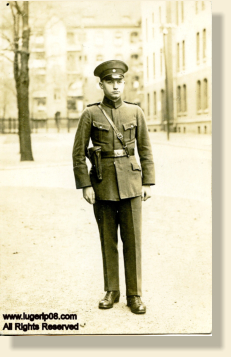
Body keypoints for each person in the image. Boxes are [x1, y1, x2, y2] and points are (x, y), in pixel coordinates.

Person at [72, 60, 155, 314]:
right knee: (108, 240)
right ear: (102, 85)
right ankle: (112, 290)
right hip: (103, 185)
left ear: (124, 83)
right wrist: (86, 185)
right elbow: (77, 153)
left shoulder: (135, 112)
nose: (115, 86)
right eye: (110, 82)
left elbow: (145, 149)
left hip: (131, 184)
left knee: (133, 241)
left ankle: (135, 294)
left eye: (119, 81)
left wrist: (148, 182)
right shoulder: (90, 114)